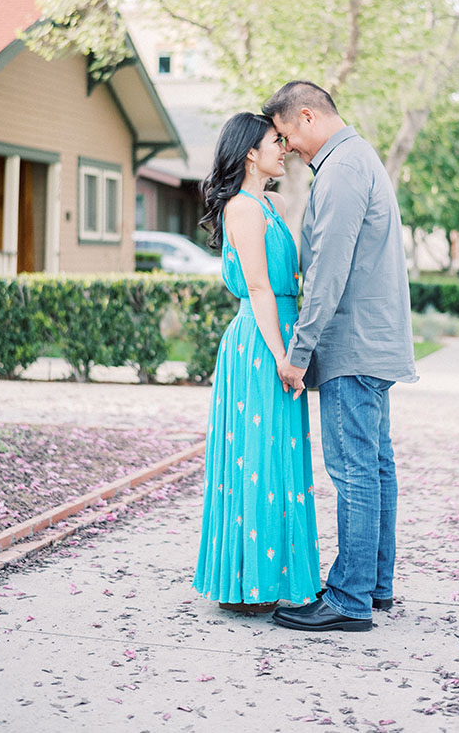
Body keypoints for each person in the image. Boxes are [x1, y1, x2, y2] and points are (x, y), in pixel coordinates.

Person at [262, 80, 417, 632]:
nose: (289, 149)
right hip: (374, 342)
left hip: (354, 346)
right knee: (374, 467)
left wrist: (299, 353)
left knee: (354, 471)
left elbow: (327, 270)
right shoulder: (356, 159)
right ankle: (373, 585)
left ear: (306, 117)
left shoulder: (344, 167)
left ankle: (348, 599)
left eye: (286, 135)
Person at [192, 112, 321, 614]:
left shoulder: (274, 202)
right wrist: (284, 357)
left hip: (283, 335)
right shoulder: (241, 209)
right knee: (257, 458)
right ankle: (251, 583)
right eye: (275, 141)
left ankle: (280, 577)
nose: (283, 148)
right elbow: (263, 288)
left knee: (282, 457)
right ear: (250, 152)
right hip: (262, 343)